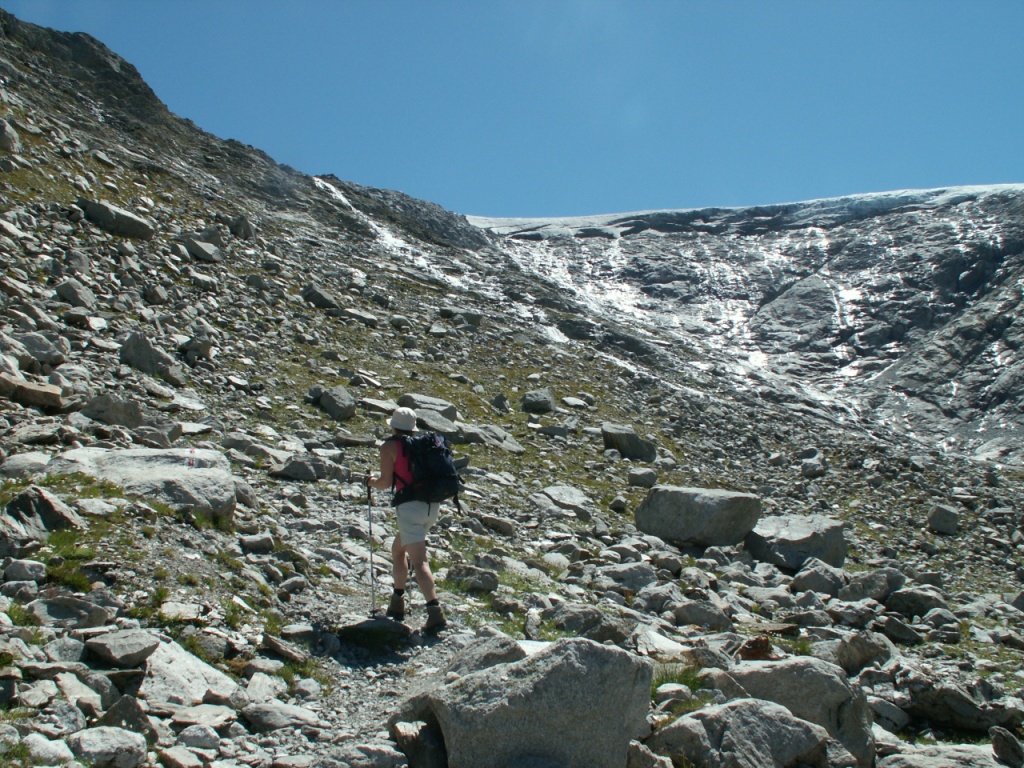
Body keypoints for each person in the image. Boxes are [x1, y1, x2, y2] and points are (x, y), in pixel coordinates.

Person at [367, 406, 447, 632]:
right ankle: (397, 601)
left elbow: (385, 483)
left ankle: (435, 612)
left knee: (419, 562)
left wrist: (369, 481)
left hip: (409, 507)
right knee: (398, 549)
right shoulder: (424, 444)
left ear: (393, 426)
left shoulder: (389, 446)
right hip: (432, 505)